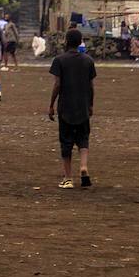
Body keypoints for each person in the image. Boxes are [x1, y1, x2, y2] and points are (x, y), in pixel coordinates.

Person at [48, 28, 96, 189]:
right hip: (82, 106)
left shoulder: (59, 60)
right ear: (81, 41)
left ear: (66, 42)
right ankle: (83, 167)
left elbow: (57, 85)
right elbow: (91, 86)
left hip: (65, 108)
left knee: (66, 142)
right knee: (83, 139)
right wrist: (90, 104)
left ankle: (68, 178)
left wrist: (51, 105)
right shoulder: (88, 61)